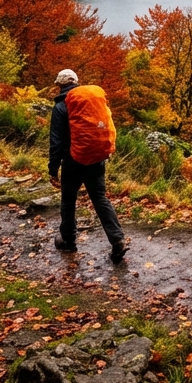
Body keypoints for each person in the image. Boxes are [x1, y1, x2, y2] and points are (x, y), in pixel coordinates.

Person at [48, 69, 127, 264]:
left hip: (72, 161)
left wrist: (53, 168)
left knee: (68, 199)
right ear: (76, 82)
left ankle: (67, 239)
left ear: (60, 85)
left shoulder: (61, 106)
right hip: (96, 159)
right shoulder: (91, 102)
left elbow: (56, 141)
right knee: (99, 197)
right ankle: (117, 240)